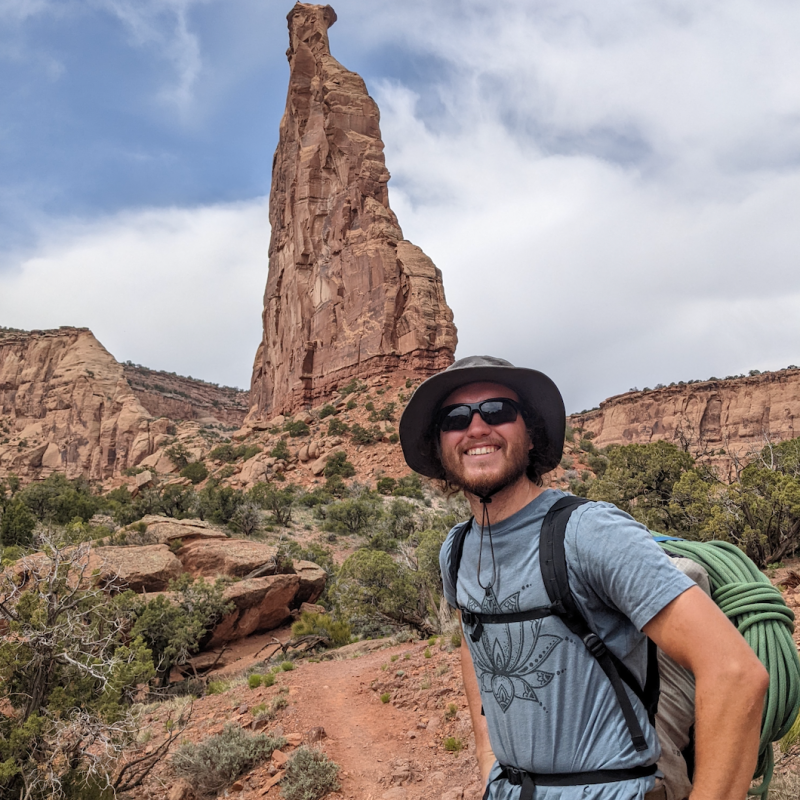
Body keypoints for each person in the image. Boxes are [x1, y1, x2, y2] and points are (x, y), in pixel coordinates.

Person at [398, 356, 768, 800]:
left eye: (498, 411)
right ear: (439, 444)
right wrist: (488, 763)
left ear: (531, 434)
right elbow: (472, 641)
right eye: (455, 418)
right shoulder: (455, 551)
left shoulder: (588, 533)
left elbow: (736, 672)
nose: (477, 428)